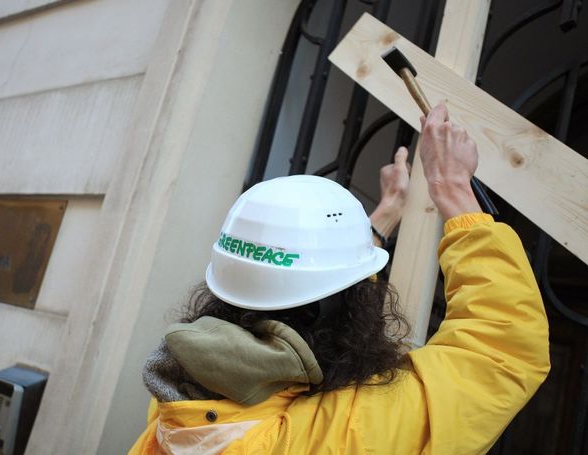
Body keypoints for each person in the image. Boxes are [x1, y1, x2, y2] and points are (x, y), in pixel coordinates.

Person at [128, 104, 550, 454]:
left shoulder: (180, 388)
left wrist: (382, 218)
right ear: (351, 306)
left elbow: (296, 283)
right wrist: (454, 188)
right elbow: (500, 350)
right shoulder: (355, 429)